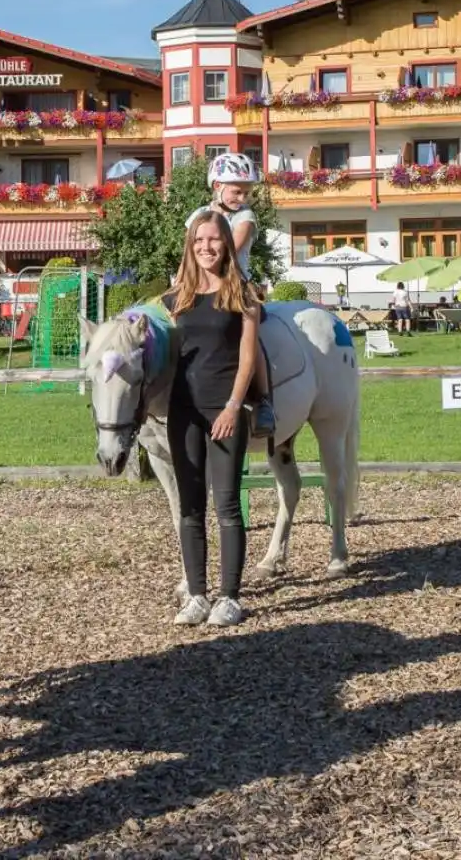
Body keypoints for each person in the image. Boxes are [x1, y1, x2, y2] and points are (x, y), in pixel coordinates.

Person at [168, 210, 261, 628]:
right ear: (191, 246)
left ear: (226, 244)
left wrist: (233, 406)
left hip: (224, 409)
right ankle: (197, 595)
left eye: (214, 240)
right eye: (199, 240)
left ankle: (229, 596)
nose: (206, 247)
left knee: (226, 505)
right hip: (183, 411)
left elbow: (247, 361)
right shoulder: (176, 299)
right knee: (190, 507)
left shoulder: (243, 296)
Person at [188, 152, 275, 436]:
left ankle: (262, 399)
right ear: (217, 186)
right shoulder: (199, 216)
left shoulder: (245, 217)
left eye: (247, 192)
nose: (243, 198)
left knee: (253, 339)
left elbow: (230, 250)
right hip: (199, 284)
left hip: (236, 285)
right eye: (238, 191)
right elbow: (189, 250)